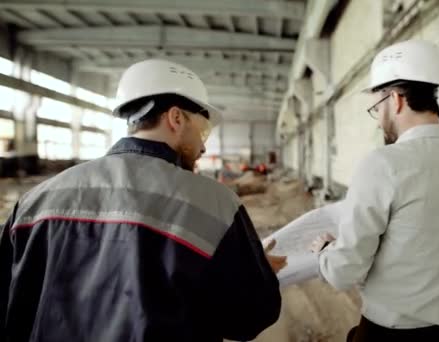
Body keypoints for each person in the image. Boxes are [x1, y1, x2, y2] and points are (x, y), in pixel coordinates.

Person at [0, 59, 285, 342]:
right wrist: (256, 275)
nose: (203, 145)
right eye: (203, 130)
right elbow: (249, 317)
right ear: (176, 118)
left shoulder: (35, 200)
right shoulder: (215, 203)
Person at [310, 40, 439, 341]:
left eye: (377, 107)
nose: (379, 119)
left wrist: (326, 251)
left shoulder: (384, 164)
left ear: (395, 100)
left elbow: (343, 272)